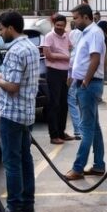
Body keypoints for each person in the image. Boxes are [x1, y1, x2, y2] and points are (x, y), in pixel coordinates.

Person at [0, 9, 40, 212]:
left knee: (11, 162)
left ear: (10, 28)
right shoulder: (31, 48)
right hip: (27, 114)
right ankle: (28, 205)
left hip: (12, 114)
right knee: (25, 160)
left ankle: (14, 208)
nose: (0, 33)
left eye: (1, 29)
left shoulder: (15, 52)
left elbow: (13, 86)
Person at [66, 3, 106, 180]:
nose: (73, 22)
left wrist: (85, 82)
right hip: (85, 84)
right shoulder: (86, 34)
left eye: (75, 18)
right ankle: (98, 166)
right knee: (94, 127)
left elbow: (95, 59)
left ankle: (78, 168)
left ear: (85, 17)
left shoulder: (95, 33)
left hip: (89, 85)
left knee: (86, 128)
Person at [41, 13, 71, 144]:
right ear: (54, 24)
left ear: (65, 26)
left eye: (62, 26)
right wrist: (65, 56)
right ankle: (53, 135)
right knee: (54, 104)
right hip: (53, 73)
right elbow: (48, 55)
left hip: (66, 73)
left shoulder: (67, 35)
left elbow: (72, 49)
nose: (59, 28)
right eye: (57, 25)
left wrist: (67, 56)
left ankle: (61, 132)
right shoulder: (49, 37)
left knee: (64, 104)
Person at [66, 21, 83, 140]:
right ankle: (81, 129)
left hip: (73, 71)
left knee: (72, 101)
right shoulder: (83, 35)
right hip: (81, 72)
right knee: (80, 102)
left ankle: (78, 130)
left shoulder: (71, 35)